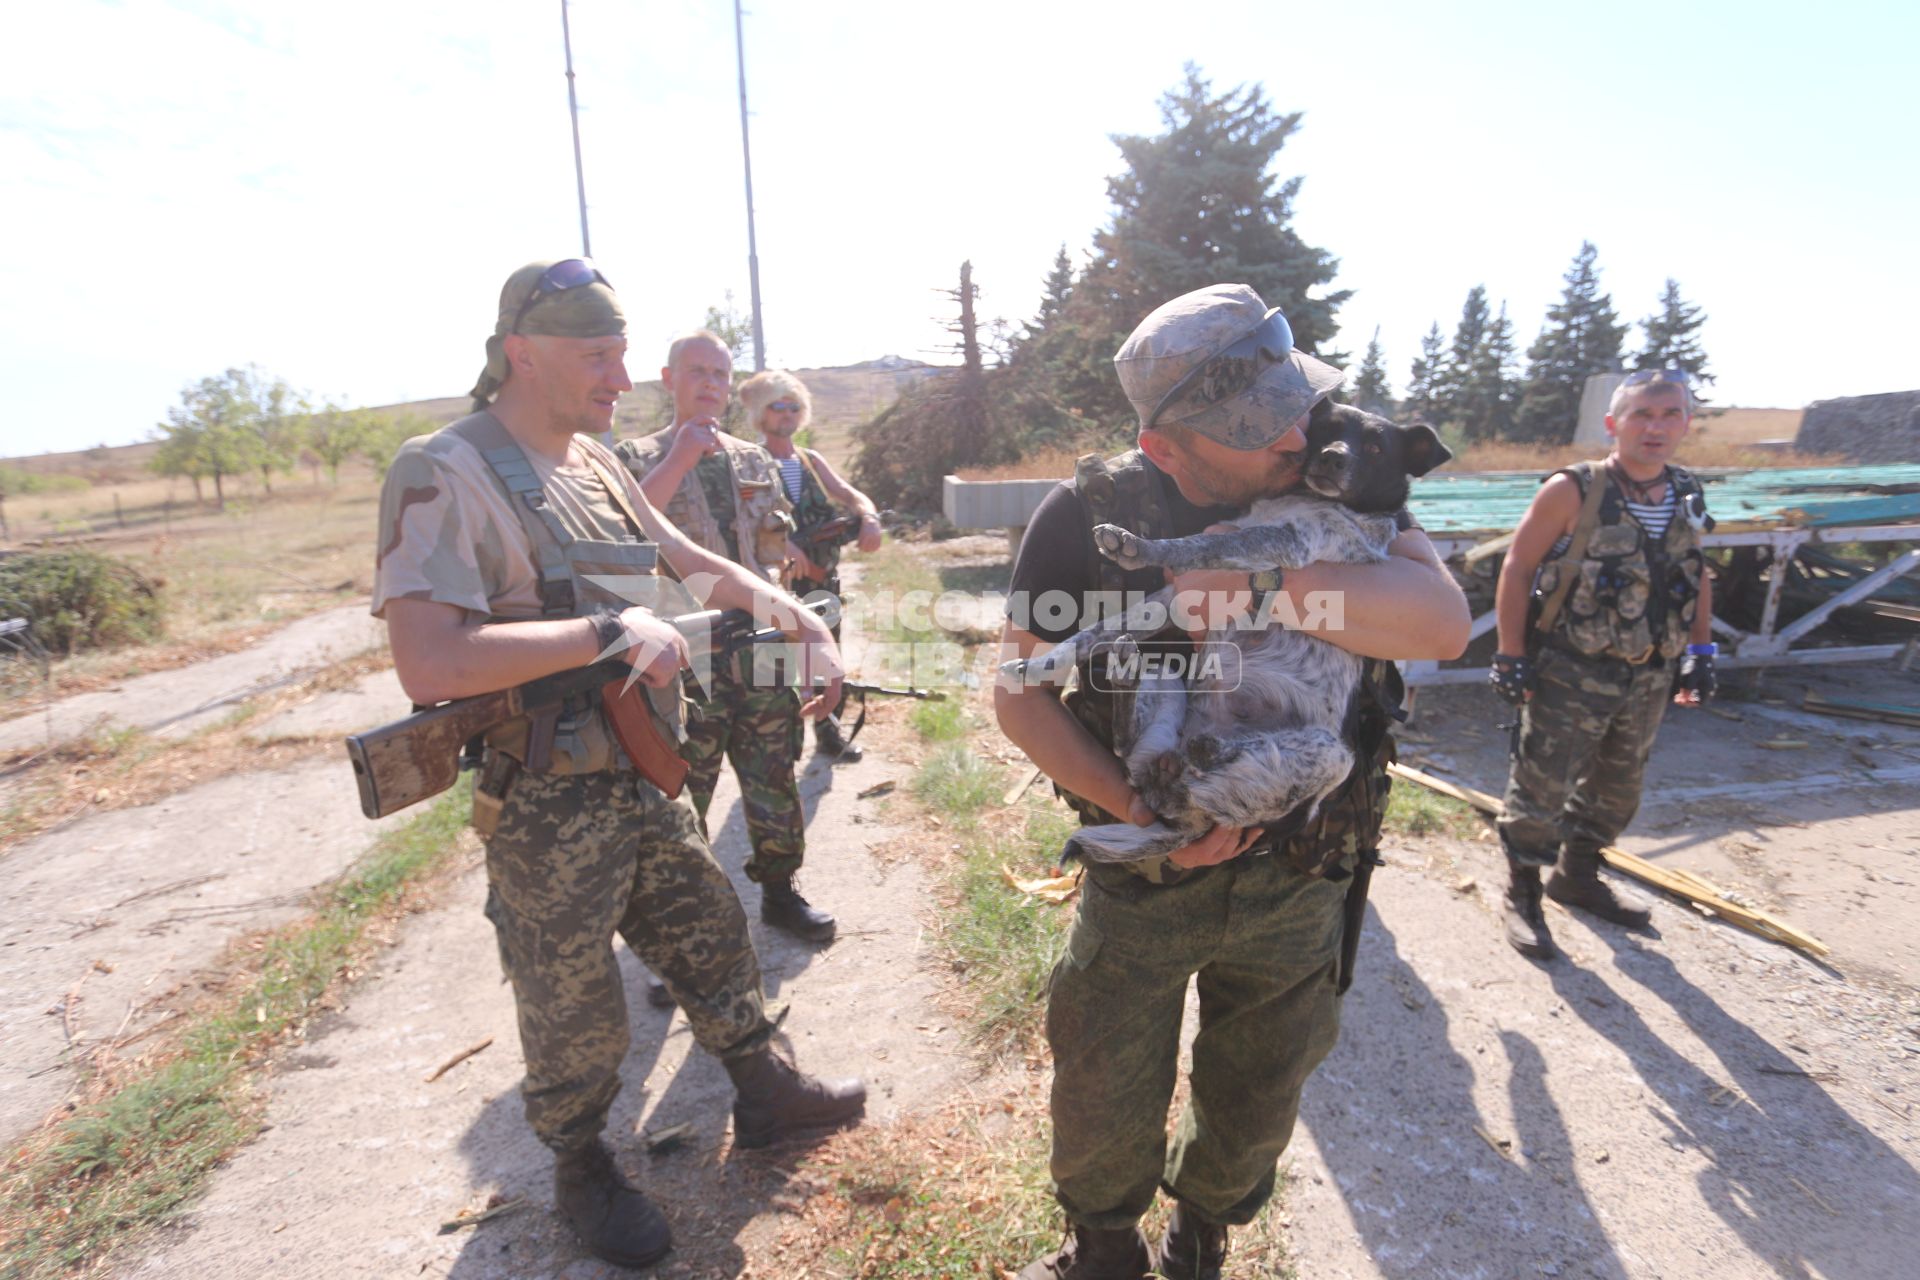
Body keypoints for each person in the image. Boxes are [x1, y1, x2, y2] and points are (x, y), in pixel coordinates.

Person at [372, 261, 865, 1271]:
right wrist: (603, 624)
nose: (620, 371)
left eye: (620, 348)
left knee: (710, 928)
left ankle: (763, 1090)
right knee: (572, 999)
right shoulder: (444, 468)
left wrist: (801, 617)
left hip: (643, 764)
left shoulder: (592, 462)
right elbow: (429, 659)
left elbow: (694, 559)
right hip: (546, 795)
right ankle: (582, 1165)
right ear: (522, 351)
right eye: (596, 352)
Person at [995, 283, 1470, 1280]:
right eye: (1259, 427)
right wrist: (1140, 810)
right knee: (1102, 1080)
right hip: (1148, 870)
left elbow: (1438, 622)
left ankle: (1204, 1232)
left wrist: (1264, 586)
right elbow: (1017, 693)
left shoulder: (1343, 473)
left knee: (1261, 1091)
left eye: (1293, 400)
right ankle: (1105, 1244)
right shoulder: (1089, 514)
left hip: (1303, 868)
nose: (1297, 433)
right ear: (1167, 445)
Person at [615, 335, 838, 945]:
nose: (709, 383)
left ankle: (779, 890)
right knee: (686, 788)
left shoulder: (752, 459)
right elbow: (629, 537)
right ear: (669, 379)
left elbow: (775, 550)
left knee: (773, 771)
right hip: (688, 650)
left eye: (719, 373)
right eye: (696, 372)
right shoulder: (634, 457)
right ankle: (687, 928)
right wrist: (680, 460)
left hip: (760, 642)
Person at [1489, 368, 1716, 960]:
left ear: (1687, 425)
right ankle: (1523, 894)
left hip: (1650, 673)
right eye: (1642, 415)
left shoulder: (1686, 493)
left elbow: (1696, 574)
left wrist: (1700, 651)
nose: (1656, 428)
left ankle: (1578, 876)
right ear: (1614, 424)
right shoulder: (1574, 490)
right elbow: (1517, 569)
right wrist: (1511, 656)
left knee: (1618, 789)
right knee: (1540, 788)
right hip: (1571, 670)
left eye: (1670, 415)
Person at [740, 368, 885, 762]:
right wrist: (784, 544)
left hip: (821, 582)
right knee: (777, 665)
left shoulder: (809, 459)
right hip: (773, 584)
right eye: (777, 406)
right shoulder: (748, 461)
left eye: (793, 406)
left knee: (826, 655)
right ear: (761, 414)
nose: (786, 414)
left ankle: (829, 733)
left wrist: (868, 517)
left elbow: (847, 493)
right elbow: (744, 520)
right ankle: (780, 746)